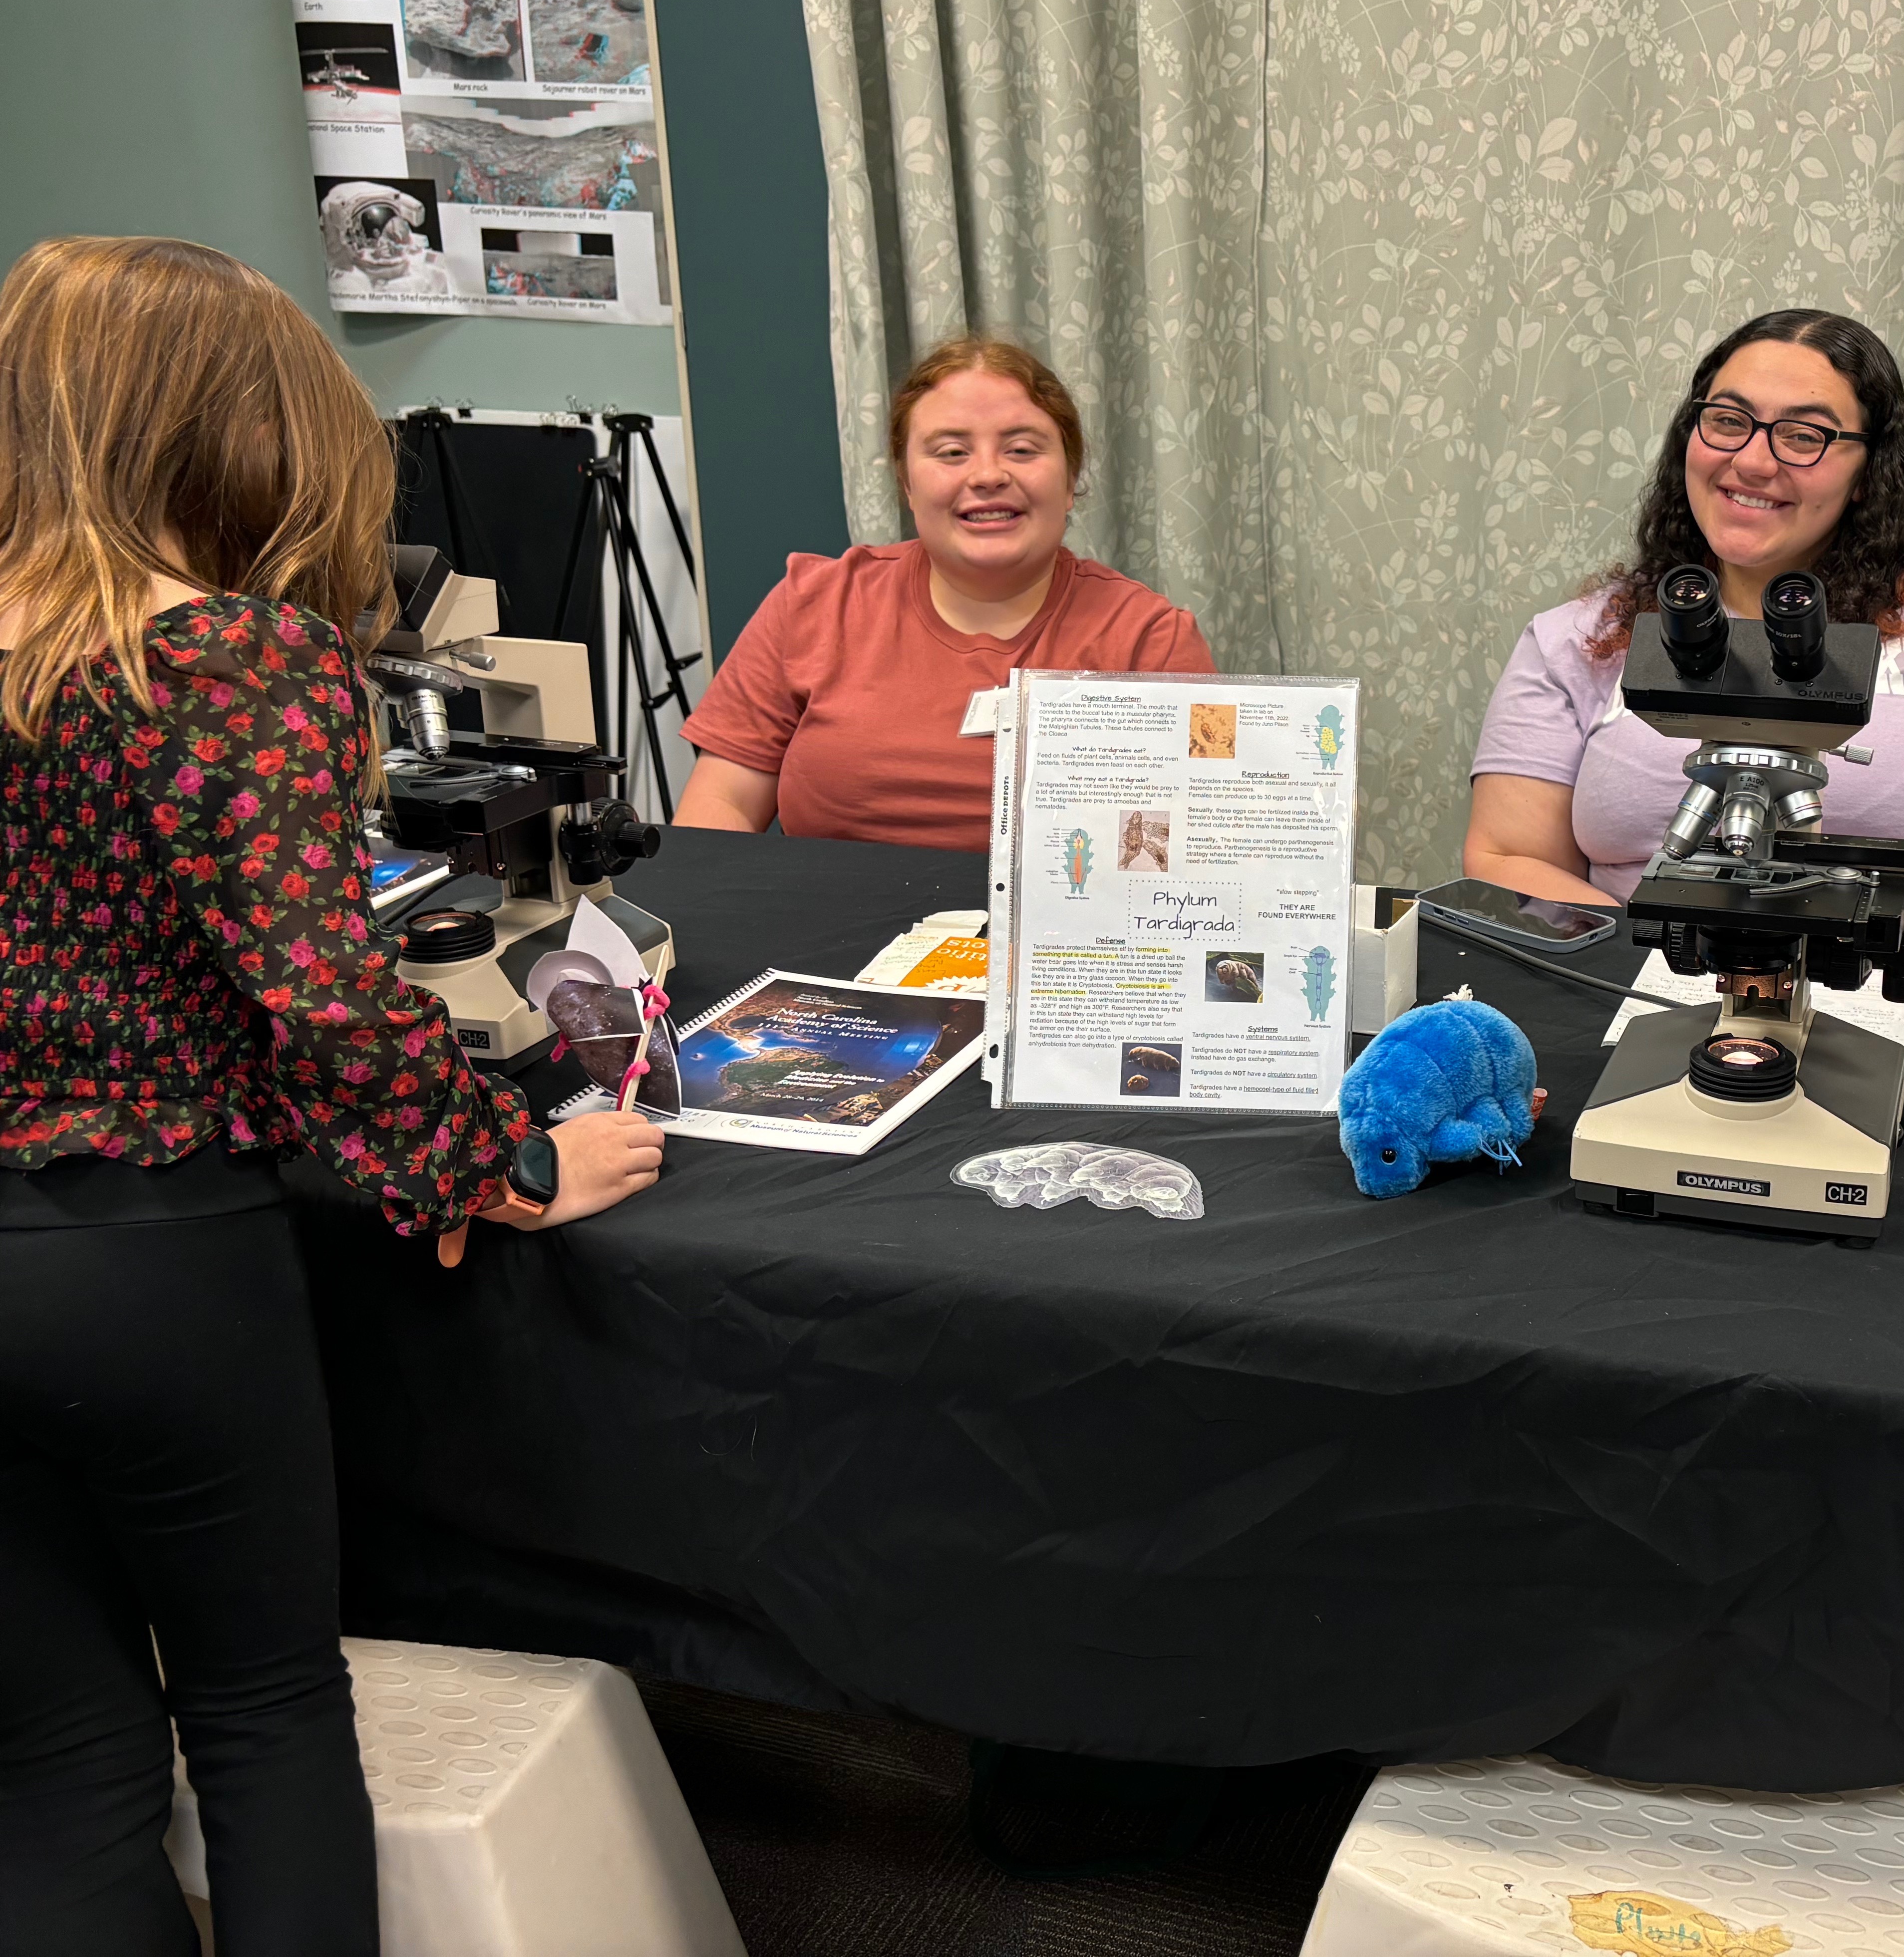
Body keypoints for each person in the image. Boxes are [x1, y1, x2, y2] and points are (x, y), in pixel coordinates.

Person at [0, 236, 665, 1954]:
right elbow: (321, 996)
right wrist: (502, 1162)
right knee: (263, 1709)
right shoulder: (222, 660)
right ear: (239, 434)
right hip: (152, 1257)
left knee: (59, 1763)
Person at [1466, 309, 1904, 937]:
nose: (1752, 462)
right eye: (1728, 422)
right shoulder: (1581, 638)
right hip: (1640, 985)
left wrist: (1882, 973)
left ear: (1870, 471)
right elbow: (1509, 856)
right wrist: (1656, 969)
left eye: (1804, 436)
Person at [676, 336, 1216, 850]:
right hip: (827, 934)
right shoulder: (813, 604)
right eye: (952, 452)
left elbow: (1197, 846)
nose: (987, 475)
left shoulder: (1151, 641)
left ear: (1071, 479)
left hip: (1055, 945)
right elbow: (722, 805)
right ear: (908, 484)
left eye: (1023, 449)